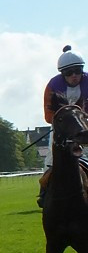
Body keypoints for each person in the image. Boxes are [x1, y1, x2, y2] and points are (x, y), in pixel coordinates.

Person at [38, 45, 88, 206]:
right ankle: (44, 192)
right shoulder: (53, 86)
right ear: (62, 73)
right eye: (69, 73)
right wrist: (65, 124)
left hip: (85, 125)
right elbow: (48, 115)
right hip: (62, 128)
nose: (74, 76)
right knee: (51, 160)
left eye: (78, 71)